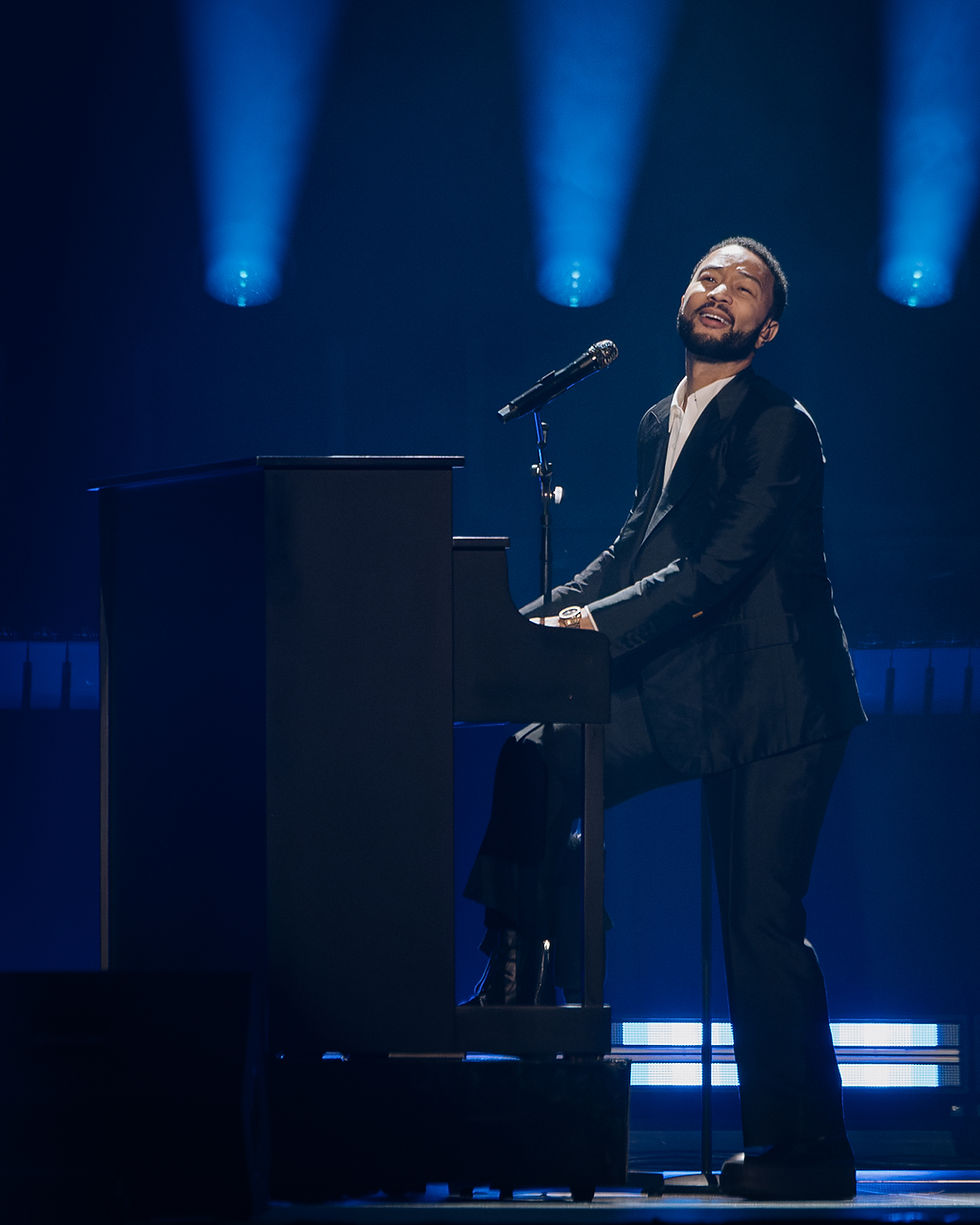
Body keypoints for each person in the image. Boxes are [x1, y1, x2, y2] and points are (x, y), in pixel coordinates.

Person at [463, 237, 867, 1200]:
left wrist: (592, 625)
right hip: (703, 685)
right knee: (537, 752)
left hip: (781, 700)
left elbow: (716, 566)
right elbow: (633, 545)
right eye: (706, 276)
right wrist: (521, 627)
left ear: (766, 329)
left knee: (760, 924)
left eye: (744, 286)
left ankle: (810, 1152)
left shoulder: (778, 424)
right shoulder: (661, 418)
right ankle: (522, 976)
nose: (718, 290)